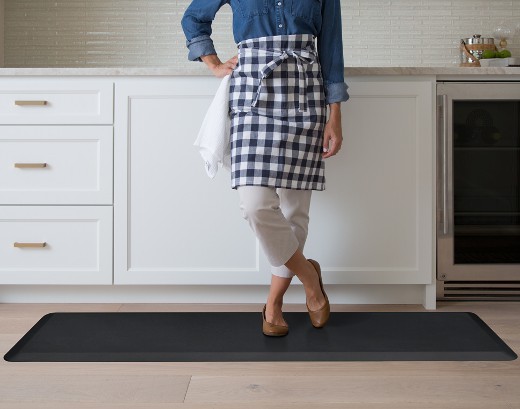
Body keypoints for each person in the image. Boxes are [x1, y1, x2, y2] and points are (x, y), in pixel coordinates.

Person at [182, 0, 349, 336]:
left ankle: (273, 304)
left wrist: (335, 115)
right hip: (252, 94)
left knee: (294, 213)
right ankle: (309, 277)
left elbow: (331, 46)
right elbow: (194, 18)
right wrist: (213, 63)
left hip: (305, 95)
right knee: (255, 205)